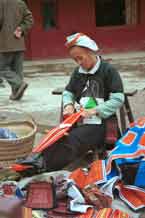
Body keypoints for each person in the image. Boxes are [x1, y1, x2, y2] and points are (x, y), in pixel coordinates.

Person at [18, 33, 125, 173]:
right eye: (75, 60)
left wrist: (95, 110)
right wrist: (68, 105)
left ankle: (41, 167)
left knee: (73, 141)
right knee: (57, 136)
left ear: (90, 52)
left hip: (100, 123)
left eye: (80, 58)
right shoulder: (78, 72)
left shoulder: (108, 71)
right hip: (80, 120)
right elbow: (68, 92)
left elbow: (118, 99)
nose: (79, 62)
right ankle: (34, 161)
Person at [0, 0, 33, 100]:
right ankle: (16, 94)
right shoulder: (20, 3)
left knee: (1, 68)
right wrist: (21, 29)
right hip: (19, 42)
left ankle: (19, 84)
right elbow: (29, 19)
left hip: (4, 43)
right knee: (17, 70)